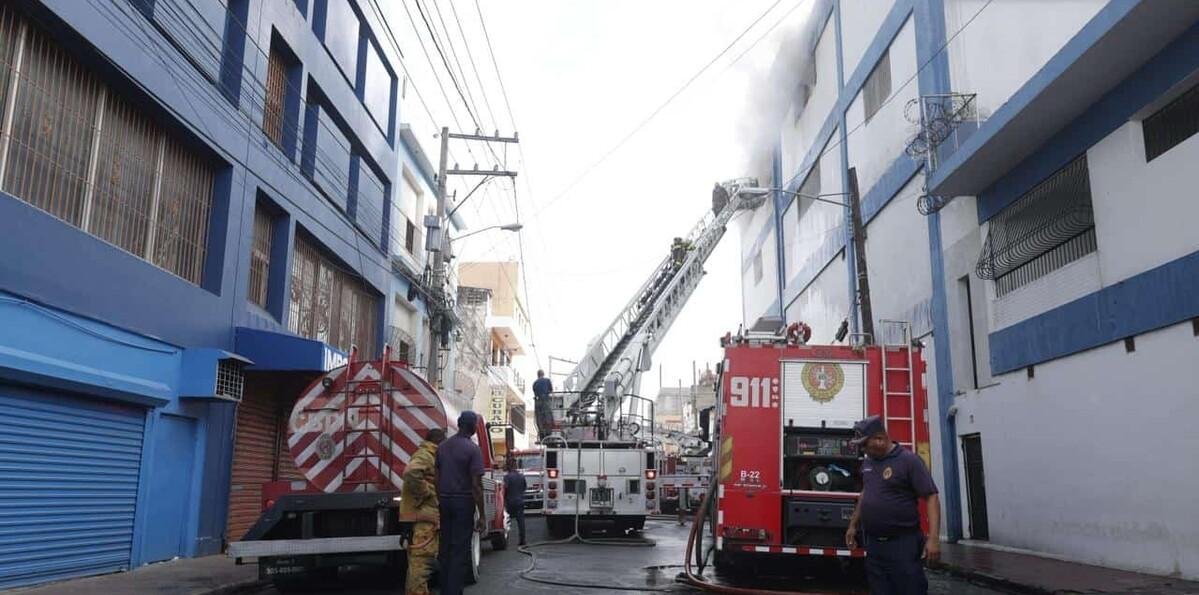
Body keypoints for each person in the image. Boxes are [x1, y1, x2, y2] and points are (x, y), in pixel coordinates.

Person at [845, 415, 941, 595]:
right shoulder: (869, 462)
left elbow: (931, 497)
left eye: (865, 444)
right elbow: (866, 492)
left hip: (902, 544)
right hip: (874, 545)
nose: (863, 450)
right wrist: (853, 524)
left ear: (880, 439)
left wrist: (933, 538)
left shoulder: (909, 461)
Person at [435, 411, 486, 595]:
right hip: (463, 503)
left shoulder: (442, 447)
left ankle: (445, 590)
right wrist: (482, 516)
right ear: (472, 427)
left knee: (446, 548)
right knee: (459, 550)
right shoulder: (473, 449)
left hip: (445, 501)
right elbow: (476, 486)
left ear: (458, 424)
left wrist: (440, 500)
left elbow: (436, 478)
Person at [399, 428, 445, 595]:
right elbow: (411, 473)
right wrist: (427, 493)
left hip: (424, 516)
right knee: (421, 562)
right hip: (425, 517)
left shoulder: (429, 454)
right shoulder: (425, 455)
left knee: (419, 564)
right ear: (439, 441)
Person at [502, 459, 528, 546]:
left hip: (510, 502)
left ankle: (505, 540)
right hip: (520, 501)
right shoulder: (521, 476)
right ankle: (522, 540)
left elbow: (505, 489)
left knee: (506, 521)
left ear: (508, 466)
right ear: (516, 466)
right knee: (521, 522)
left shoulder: (507, 477)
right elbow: (524, 487)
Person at [532, 370, 553, 441]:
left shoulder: (535, 383)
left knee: (539, 418)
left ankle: (541, 434)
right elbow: (551, 390)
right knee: (547, 416)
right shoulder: (547, 381)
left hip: (538, 401)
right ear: (543, 374)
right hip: (545, 400)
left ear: (537, 375)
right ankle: (548, 434)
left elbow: (535, 392)